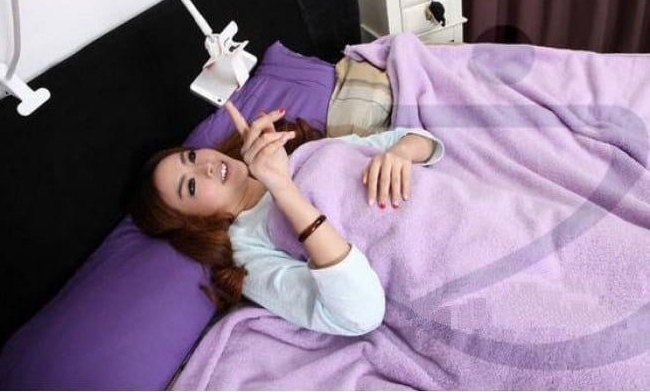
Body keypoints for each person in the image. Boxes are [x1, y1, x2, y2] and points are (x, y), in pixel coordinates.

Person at [129, 101, 445, 336]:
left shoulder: (297, 155)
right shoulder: (247, 252)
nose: (206, 166)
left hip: (451, 198)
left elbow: (424, 142)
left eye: (192, 157)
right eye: (191, 186)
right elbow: (359, 314)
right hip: (436, 263)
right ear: (195, 222)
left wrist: (400, 153)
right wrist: (282, 188)